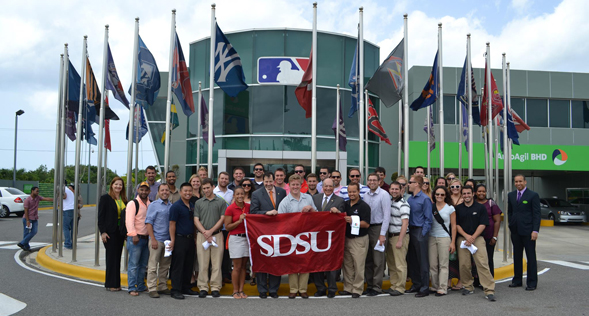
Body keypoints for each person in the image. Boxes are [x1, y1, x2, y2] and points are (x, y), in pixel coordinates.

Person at [278, 174, 317, 299]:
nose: (295, 187)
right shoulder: (284, 202)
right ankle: (294, 289)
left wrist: (311, 209)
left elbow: (316, 215)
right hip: (291, 237)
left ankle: (303, 289)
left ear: (301, 185)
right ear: (289, 186)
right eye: (293, 184)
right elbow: (280, 220)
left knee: (306, 262)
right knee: (293, 263)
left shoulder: (308, 198)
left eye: (297, 184)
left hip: (306, 236)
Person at [455, 186, 496, 301]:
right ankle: (468, 286)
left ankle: (489, 290)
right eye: (464, 194)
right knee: (464, 264)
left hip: (477, 238)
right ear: (462, 195)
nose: (466, 195)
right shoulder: (458, 209)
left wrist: (473, 237)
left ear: (473, 194)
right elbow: (456, 225)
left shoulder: (480, 208)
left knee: (482, 263)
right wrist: (467, 236)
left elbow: (483, 224)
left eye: (468, 193)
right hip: (463, 238)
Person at [250, 172, 286, 298]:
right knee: (263, 260)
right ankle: (262, 290)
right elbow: (253, 212)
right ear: (263, 181)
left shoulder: (282, 192)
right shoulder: (256, 194)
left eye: (271, 181)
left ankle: (274, 290)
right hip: (262, 233)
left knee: (277, 260)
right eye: (266, 182)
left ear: (274, 181)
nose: (269, 184)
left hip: (279, 232)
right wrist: (267, 213)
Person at [311, 178, 345, 298]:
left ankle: (331, 288)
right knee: (317, 263)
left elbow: (343, 218)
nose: (328, 188)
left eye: (330, 186)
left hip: (332, 238)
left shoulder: (340, 201)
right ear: (322, 187)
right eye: (326, 186)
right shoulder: (315, 198)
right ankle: (320, 288)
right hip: (316, 237)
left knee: (331, 264)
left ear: (334, 187)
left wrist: (338, 213)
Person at [194, 178, 227, 298]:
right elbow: (196, 219)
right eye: (204, 188)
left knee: (216, 263)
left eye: (208, 187)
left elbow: (222, 218)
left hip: (217, 235)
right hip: (202, 236)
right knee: (202, 263)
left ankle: (215, 287)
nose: (206, 190)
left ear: (213, 187)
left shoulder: (220, 202)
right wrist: (204, 232)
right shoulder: (199, 203)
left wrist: (211, 231)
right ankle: (203, 287)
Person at [508, 175, 541, 291]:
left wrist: (535, 230)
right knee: (517, 256)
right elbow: (510, 212)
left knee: (530, 256)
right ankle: (517, 280)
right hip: (515, 231)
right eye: (516, 181)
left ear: (525, 182)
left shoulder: (533, 195)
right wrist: (510, 224)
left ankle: (532, 282)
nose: (518, 183)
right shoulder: (511, 195)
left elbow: (537, 214)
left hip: (528, 231)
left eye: (520, 181)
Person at [338, 183, 370, 298]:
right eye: (349, 192)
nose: (351, 194)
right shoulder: (345, 204)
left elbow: (366, 224)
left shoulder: (364, 206)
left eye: (353, 192)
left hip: (359, 240)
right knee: (347, 265)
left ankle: (357, 289)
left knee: (358, 265)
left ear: (358, 191)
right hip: (346, 239)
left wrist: (352, 221)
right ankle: (348, 288)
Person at [362, 173, 391, 296]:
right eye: (370, 180)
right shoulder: (365, 195)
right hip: (367, 228)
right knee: (368, 259)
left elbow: (386, 215)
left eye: (374, 180)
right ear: (367, 182)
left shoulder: (384, 195)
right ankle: (369, 284)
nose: (372, 182)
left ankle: (377, 286)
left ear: (379, 182)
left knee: (378, 259)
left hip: (379, 228)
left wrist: (382, 234)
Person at [168, 183, 198, 300]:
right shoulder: (176, 206)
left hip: (190, 239)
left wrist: (195, 237)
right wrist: (173, 240)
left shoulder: (191, 205)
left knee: (188, 264)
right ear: (180, 192)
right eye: (185, 191)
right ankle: (175, 290)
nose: (188, 193)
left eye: (190, 191)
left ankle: (186, 287)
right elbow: (172, 224)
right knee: (178, 265)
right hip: (180, 238)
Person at [98, 177, 127, 292]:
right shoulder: (105, 198)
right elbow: (101, 217)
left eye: (120, 185)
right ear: (111, 185)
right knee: (111, 258)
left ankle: (117, 283)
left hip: (120, 233)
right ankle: (110, 284)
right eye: (116, 184)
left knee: (117, 258)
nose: (118, 187)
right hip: (110, 233)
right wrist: (103, 232)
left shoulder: (124, 199)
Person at [406, 175, 433, 297]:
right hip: (410, 231)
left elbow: (428, 219)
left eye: (410, 182)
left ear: (416, 184)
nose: (408, 184)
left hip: (419, 231)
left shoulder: (425, 199)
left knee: (422, 261)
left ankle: (424, 287)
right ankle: (416, 284)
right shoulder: (410, 199)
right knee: (412, 260)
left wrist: (423, 233)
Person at [145, 183, 173, 298]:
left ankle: (162, 286)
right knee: (152, 265)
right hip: (156, 240)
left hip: (167, 241)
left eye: (167, 190)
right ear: (158, 192)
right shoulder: (153, 205)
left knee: (164, 266)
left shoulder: (172, 206)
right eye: (162, 190)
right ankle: (152, 288)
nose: (165, 192)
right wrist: (153, 239)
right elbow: (148, 223)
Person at [428, 186, 456, 296]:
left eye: (442, 194)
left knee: (443, 264)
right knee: (433, 264)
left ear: (445, 196)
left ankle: (443, 288)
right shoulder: (431, 207)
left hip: (444, 238)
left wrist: (452, 242)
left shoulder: (450, 208)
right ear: (434, 195)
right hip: (431, 237)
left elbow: (453, 226)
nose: (439, 196)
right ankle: (435, 286)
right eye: (437, 194)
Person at [224, 187, 250, 299]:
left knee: (244, 266)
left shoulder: (249, 207)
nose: (240, 196)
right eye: (237, 194)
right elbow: (228, 227)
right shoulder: (230, 209)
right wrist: (239, 221)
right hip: (235, 238)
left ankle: (241, 290)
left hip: (247, 239)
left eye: (242, 194)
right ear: (234, 195)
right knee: (237, 266)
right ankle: (235, 291)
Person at [125, 182, 151, 296]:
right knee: (133, 264)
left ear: (149, 191)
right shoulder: (133, 203)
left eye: (146, 190)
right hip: (136, 238)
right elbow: (129, 221)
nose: (144, 192)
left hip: (146, 238)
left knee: (143, 265)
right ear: (138, 190)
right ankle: (132, 287)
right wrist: (133, 234)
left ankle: (140, 285)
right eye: (142, 189)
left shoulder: (150, 203)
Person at [385, 182, 410, 296]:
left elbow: (405, 223)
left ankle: (400, 287)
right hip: (390, 236)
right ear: (389, 190)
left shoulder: (403, 204)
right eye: (392, 189)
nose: (394, 191)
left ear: (401, 190)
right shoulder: (389, 202)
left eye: (396, 189)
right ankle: (394, 285)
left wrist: (400, 240)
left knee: (400, 264)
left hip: (399, 236)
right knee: (392, 264)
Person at [475, 184, 502, 276]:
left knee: (488, 259)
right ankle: (477, 280)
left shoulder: (491, 203)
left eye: (483, 191)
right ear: (475, 192)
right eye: (479, 191)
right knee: (477, 260)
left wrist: (495, 237)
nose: (481, 193)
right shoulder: (472, 202)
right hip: (476, 237)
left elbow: (497, 221)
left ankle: (489, 280)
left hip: (489, 236)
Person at [213, 172, 233, 286]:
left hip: (228, 227)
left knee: (227, 253)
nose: (224, 180)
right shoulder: (214, 192)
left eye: (226, 178)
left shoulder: (232, 193)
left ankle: (226, 274)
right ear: (218, 179)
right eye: (222, 178)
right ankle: (217, 276)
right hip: (217, 227)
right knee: (217, 253)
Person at [18, 186, 53, 251]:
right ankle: (26, 247)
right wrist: (27, 220)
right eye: (36, 191)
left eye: (38, 191)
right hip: (28, 218)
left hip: (34, 218)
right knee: (26, 233)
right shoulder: (27, 200)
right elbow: (26, 211)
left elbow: (45, 199)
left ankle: (22, 243)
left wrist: (54, 199)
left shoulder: (37, 198)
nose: (38, 192)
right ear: (32, 191)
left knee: (34, 231)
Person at [62, 184, 75, 250]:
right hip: (72, 210)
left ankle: (67, 244)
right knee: (72, 228)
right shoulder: (70, 191)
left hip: (67, 209)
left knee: (65, 227)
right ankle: (72, 243)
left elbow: (64, 196)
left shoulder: (64, 190)